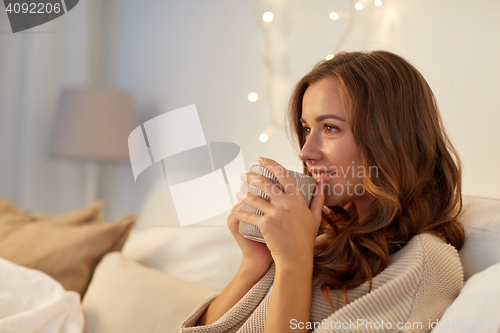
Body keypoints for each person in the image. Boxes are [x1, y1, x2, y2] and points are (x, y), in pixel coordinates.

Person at [180, 50, 465, 332]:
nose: (305, 153)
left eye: (330, 128)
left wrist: (294, 262)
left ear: (391, 138)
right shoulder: (322, 238)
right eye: (306, 129)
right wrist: (255, 261)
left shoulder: (426, 264)